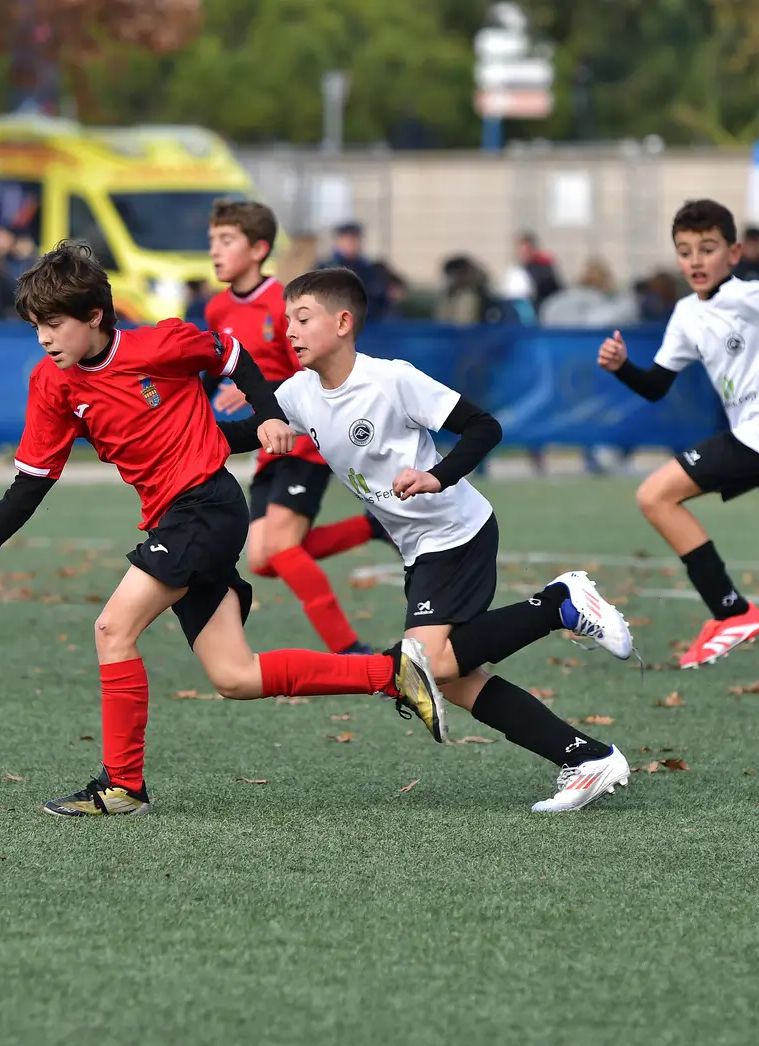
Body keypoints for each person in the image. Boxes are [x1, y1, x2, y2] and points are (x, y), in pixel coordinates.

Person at [0, 241, 438, 817]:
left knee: (112, 629)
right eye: (36, 327)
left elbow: (233, 356)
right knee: (235, 675)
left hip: (204, 506)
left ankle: (122, 785)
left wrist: (270, 413)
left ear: (94, 316)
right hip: (177, 519)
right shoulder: (53, 385)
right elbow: (32, 481)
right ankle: (391, 672)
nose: (45, 338)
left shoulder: (161, 342)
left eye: (54, 324)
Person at [219, 267, 635, 812]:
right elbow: (241, 433)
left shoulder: (392, 380)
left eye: (303, 318)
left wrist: (437, 477)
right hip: (418, 547)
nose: (289, 331)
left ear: (343, 323)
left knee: (430, 664)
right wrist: (194, 430)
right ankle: (584, 755)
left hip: (455, 533)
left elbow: (485, 426)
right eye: (287, 319)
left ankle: (560, 604)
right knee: (456, 679)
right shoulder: (298, 393)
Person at [598, 199, 759, 668]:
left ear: (734, 254)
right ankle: (730, 613)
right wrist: (621, 368)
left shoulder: (756, 298)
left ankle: (730, 612)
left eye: (707, 248)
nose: (695, 261)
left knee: (655, 496)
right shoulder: (686, 314)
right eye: (685, 250)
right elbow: (656, 385)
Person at [204, 199, 389, 655]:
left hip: (304, 439)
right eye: (212, 241)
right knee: (264, 560)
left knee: (283, 547)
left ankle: (348, 649)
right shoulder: (215, 310)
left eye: (226, 241)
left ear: (258, 249)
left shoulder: (284, 303)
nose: (215, 251)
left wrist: (254, 391)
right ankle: (372, 527)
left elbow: (313, 373)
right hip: (268, 443)